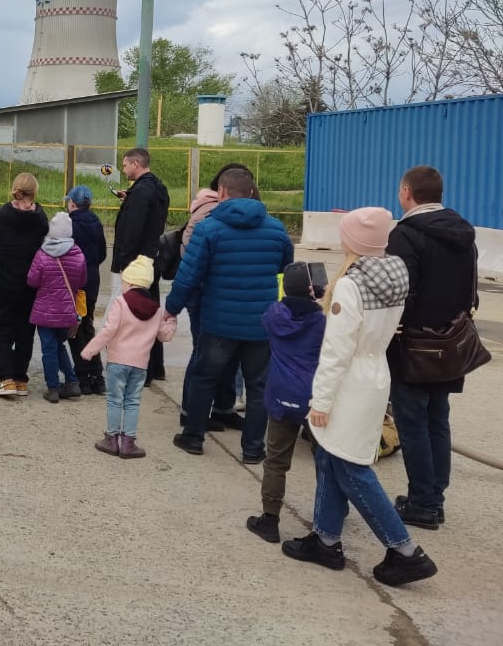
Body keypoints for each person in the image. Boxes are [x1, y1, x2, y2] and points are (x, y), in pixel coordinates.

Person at [282, 208, 438, 587]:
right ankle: (326, 538)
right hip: (374, 375)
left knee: (351, 468)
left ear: (352, 241)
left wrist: (320, 400)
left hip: (349, 382)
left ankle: (405, 551)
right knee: (333, 459)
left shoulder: (351, 285)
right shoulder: (396, 275)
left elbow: (336, 351)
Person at [165, 166, 294, 461]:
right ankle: (252, 449)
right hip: (261, 326)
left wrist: (171, 309)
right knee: (258, 387)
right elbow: (285, 270)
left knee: (203, 377)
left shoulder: (209, 229)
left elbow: (189, 275)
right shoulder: (276, 230)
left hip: (217, 323)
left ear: (220, 193)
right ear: (251, 193)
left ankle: (193, 437)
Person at [385, 165, 478, 530]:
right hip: (451, 343)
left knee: (413, 424)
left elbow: (400, 293)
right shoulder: (463, 234)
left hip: (414, 344)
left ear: (407, 192)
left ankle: (423, 503)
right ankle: (434, 497)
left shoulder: (405, 235)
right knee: (438, 419)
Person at [246, 262, 326, 543]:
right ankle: (327, 519)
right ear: (314, 290)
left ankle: (269, 518)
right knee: (324, 460)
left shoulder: (273, 315)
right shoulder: (322, 323)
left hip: (280, 393)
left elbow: (278, 313)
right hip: (313, 397)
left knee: (276, 461)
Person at [179, 163, 254, 431]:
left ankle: (223, 407)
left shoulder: (232, 213)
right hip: (204, 293)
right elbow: (193, 257)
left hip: (227, 295)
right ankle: (191, 412)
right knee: (204, 353)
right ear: (222, 189)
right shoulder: (210, 214)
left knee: (230, 355)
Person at [81, 255, 176, 458]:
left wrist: (90, 350)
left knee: (115, 400)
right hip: (140, 365)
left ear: (131, 282)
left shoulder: (121, 303)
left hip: (117, 361)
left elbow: (108, 330)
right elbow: (165, 335)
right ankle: (128, 443)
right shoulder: (157, 309)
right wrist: (172, 319)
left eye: (124, 281)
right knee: (132, 401)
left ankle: (111, 439)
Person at [109, 147, 169, 382]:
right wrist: (130, 199)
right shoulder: (156, 188)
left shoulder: (142, 192)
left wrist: (126, 262)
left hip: (137, 262)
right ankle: (156, 367)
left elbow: (134, 229)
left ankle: (141, 371)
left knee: (137, 315)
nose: (123, 170)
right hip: (151, 258)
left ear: (136, 164)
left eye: (125, 165)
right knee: (150, 310)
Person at [0, 172, 49, 398]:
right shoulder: (41, 218)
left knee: (2, 330)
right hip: (31, 283)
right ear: (35, 192)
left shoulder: (1, 215)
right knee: (25, 331)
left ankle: (6, 379)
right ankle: (21, 379)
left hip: (4, 281)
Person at [26, 211, 87, 403]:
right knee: (60, 346)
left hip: (44, 312)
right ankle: (72, 382)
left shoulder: (42, 253)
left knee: (49, 350)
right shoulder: (78, 255)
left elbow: (32, 281)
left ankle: (52, 388)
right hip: (67, 312)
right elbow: (82, 281)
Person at [65, 185, 107, 395]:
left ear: (72, 203)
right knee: (88, 326)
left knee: (74, 329)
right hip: (92, 282)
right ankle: (97, 377)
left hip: (76, 285)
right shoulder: (96, 222)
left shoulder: (71, 224)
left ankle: (82, 377)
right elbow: (102, 254)